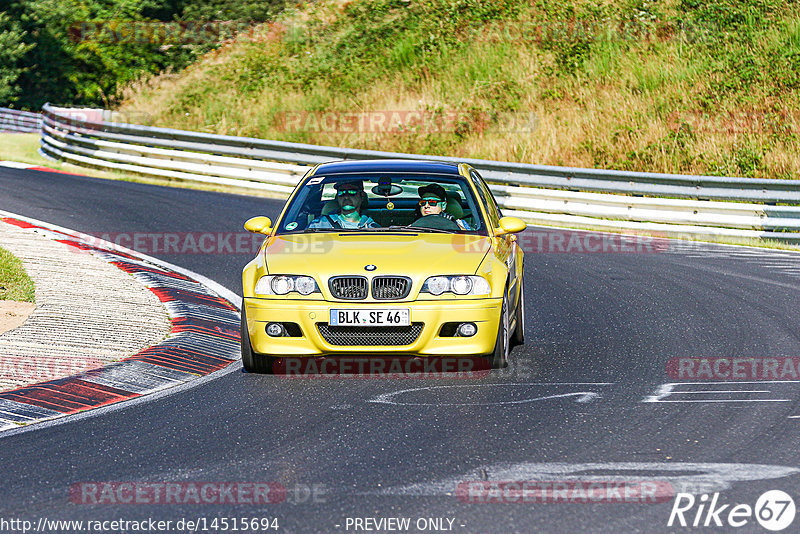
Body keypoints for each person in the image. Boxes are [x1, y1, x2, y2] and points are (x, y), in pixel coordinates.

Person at [308, 180, 379, 229]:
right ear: (337, 197)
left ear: (362, 196)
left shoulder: (373, 228)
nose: (346, 197)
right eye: (341, 192)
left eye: (352, 192)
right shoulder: (319, 225)